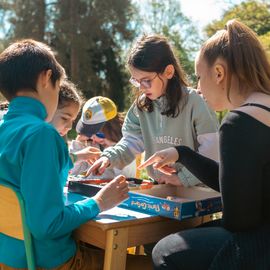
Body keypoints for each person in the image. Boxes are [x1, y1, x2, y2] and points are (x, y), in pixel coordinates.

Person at [138, 19, 270, 270]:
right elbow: (238, 183)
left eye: (200, 76)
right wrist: (182, 154)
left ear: (219, 73)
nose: (198, 88)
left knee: (165, 251)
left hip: (261, 245)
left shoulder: (240, 122)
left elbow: (239, 221)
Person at [0, 39, 129, 269]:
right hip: (49, 262)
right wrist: (99, 202)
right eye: (58, 87)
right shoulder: (41, 134)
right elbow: (47, 225)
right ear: (45, 78)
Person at [88, 34, 219, 187]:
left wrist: (182, 179)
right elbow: (130, 143)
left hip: (195, 190)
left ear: (168, 72)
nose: (142, 87)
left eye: (147, 80)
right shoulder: (140, 108)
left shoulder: (195, 102)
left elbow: (212, 150)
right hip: (160, 186)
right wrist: (109, 157)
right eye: (136, 81)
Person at [71, 96, 137, 178]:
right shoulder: (90, 145)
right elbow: (74, 173)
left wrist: (111, 149)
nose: (93, 138)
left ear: (112, 128)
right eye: (88, 133)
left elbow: (125, 178)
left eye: (98, 133)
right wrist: (79, 144)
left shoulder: (124, 148)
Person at [51, 79, 101, 165]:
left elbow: (56, 164)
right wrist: (78, 156)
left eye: (73, 121)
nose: (70, 127)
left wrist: (78, 156)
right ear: (48, 109)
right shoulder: (38, 139)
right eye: (65, 118)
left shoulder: (54, 140)